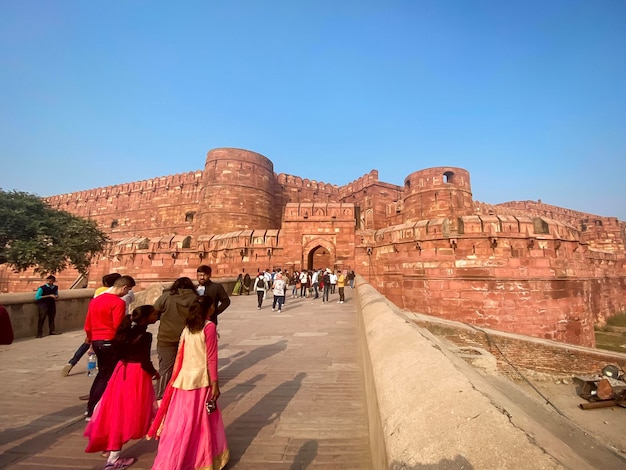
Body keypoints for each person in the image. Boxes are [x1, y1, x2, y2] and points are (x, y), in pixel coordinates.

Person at [147, 297, 230, 470]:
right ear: (209, 309)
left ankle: (175, 456)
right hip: (200, 381)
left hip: (183, 381)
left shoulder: (187, 329)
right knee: (200, 422)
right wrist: (215, 383)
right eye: (212, 305)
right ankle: (199, 458)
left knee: (180, 421)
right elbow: (211, 357)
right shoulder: (209, 327)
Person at [84, 304, 159, 470]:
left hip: (121, 370)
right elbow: (145, 360)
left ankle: (110, 447)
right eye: (154, 314)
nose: (156, 316)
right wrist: (154, 372)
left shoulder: (125, 331)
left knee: (115, 409)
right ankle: (113, 458)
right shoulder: (145, 336)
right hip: (136, 373)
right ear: (146, 318)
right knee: (129, 412)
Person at [84, 275, 136, 420]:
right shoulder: (117, 303)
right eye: (128, 290)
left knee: (102, 375)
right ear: (124, 287)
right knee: (108, 376)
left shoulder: (96, 300)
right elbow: (118, 326)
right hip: (110, 341)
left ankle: (91, 407)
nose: (127, 294)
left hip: (96, 340)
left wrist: (91, 339)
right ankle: (97, 409)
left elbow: (88, 325)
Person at [62, 273, 121, 377]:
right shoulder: (122, 295)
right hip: (110, 329)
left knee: (88, 343)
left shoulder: (99, 291)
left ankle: (72, 362)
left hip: (95, 323)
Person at [153, 277, 198, 400]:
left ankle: (161, 396)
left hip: (166, 337)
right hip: (187, 338)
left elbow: (155, 311)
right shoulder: (195, 298)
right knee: (186, 368)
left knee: (165, 369)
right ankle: (183, 396)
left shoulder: (166, 296)